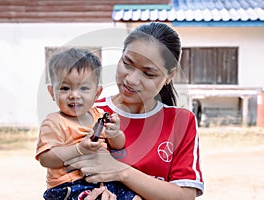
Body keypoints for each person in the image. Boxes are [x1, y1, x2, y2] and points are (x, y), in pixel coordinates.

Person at [65, 22, 204, 200]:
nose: (131, 79)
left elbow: (185, 196)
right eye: (127, 63)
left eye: (148, 73)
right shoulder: (89, 113)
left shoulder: (181, 121)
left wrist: (119, 170)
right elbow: (62, 181)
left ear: (170, 75)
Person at [35, 48, 141, 200]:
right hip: (69, 186)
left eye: (84, 88)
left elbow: (118, 145)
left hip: (104, 179)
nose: (74, 95)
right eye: (65, 88)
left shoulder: (99, 116)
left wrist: (115, 133)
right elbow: (46, 159)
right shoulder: (54, 123)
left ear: (97, 93)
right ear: (52, 92)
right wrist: (79, 149)